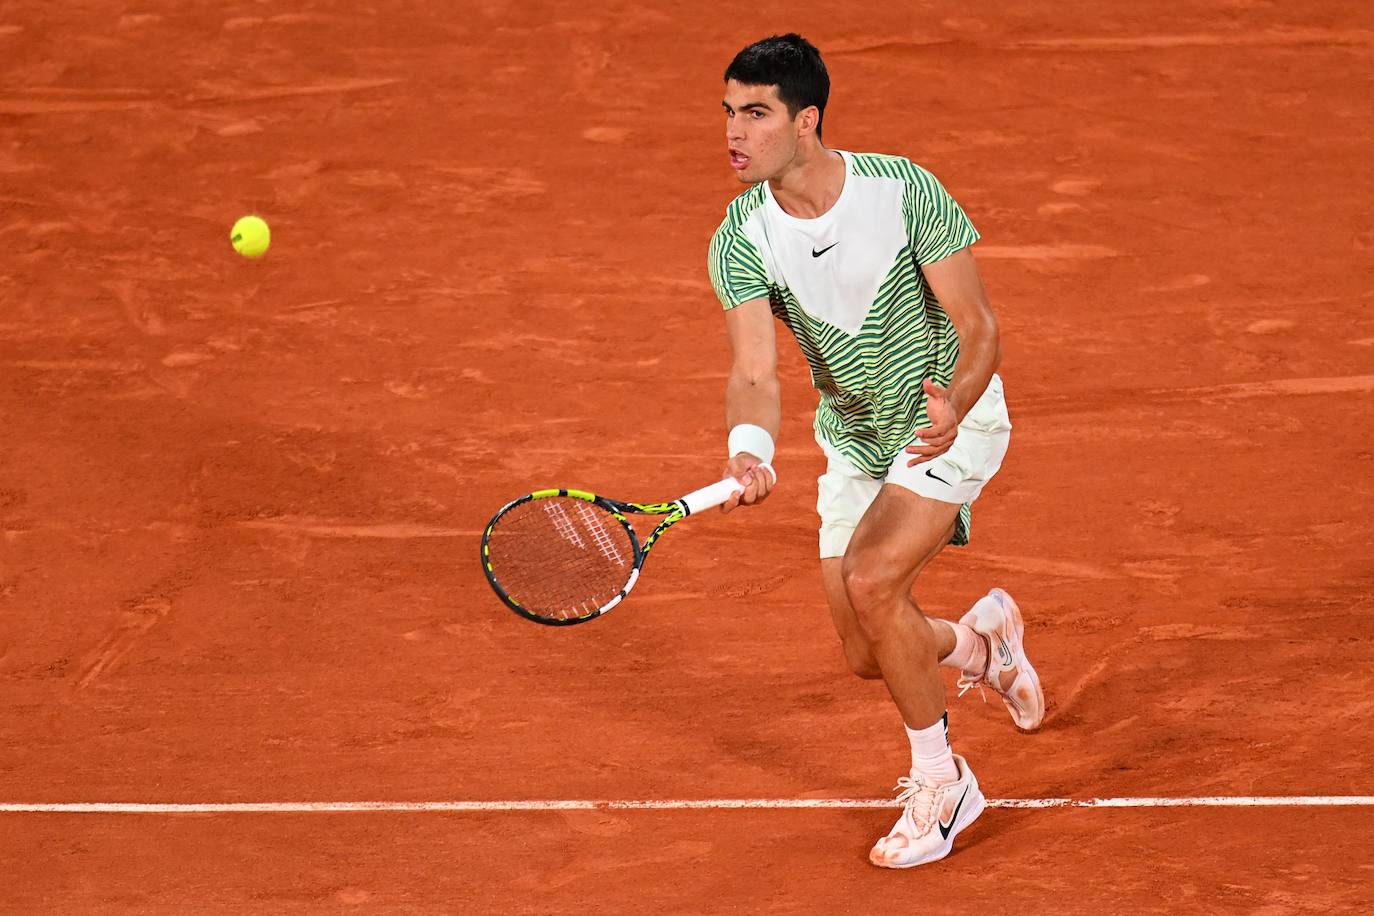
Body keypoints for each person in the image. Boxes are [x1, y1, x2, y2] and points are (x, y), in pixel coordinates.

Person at [707, 33, 1045, 868]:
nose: (734, 132)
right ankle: (981, 646)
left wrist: (954, 403)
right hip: (855, 440)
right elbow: (753, 369)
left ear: (806, 120)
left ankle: (944, 783)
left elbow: (979, 326)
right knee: (869, 649)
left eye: (756, 113)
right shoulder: (740, 237)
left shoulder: (904, 192)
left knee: (871, 579)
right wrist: (748, 448)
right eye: (728, 112)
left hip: (948, 420)